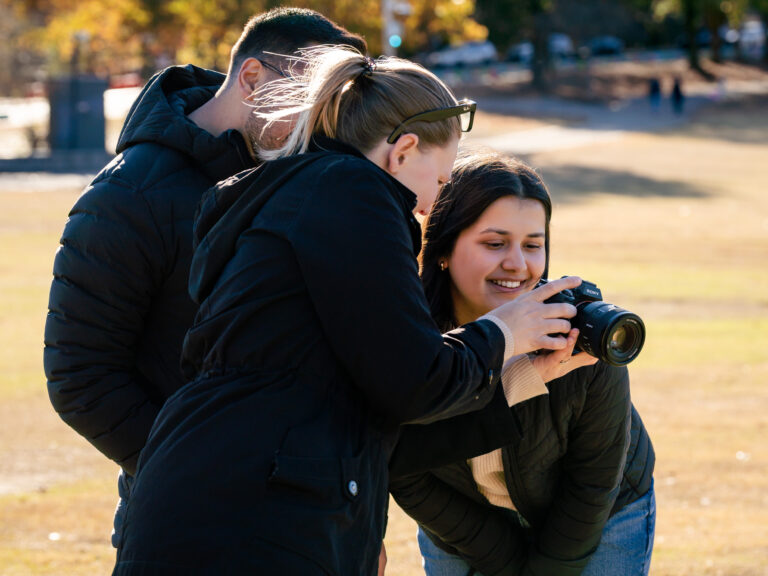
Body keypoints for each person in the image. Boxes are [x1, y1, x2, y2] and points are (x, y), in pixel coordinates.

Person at [113, 46, 587, 575]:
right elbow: (416, 379)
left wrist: (518, 378)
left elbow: (377, 430)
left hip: (217, 503)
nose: (431, 207)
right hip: (251, 520)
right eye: (440, 181)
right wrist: (502, 333)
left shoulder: (299, 196)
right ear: (403, 151)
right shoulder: (352, 192)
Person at [43, 7, 366, 549]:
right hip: (186, 516)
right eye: (311, 104)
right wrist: (199, 471)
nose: (320, 126)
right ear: (252, 78)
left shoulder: (300, 179)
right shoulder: (129, 195)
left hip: (308, 512)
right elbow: (81, 376)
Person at [389, 148, 656, 576]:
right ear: (442, 248)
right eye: (495, 243)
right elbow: (402, 470)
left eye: (533, 245)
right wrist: (507, 562)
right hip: (463, 523)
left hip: (599, 518)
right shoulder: (406, 334)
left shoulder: (582, 334)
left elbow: (593, 481)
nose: (517, 264)